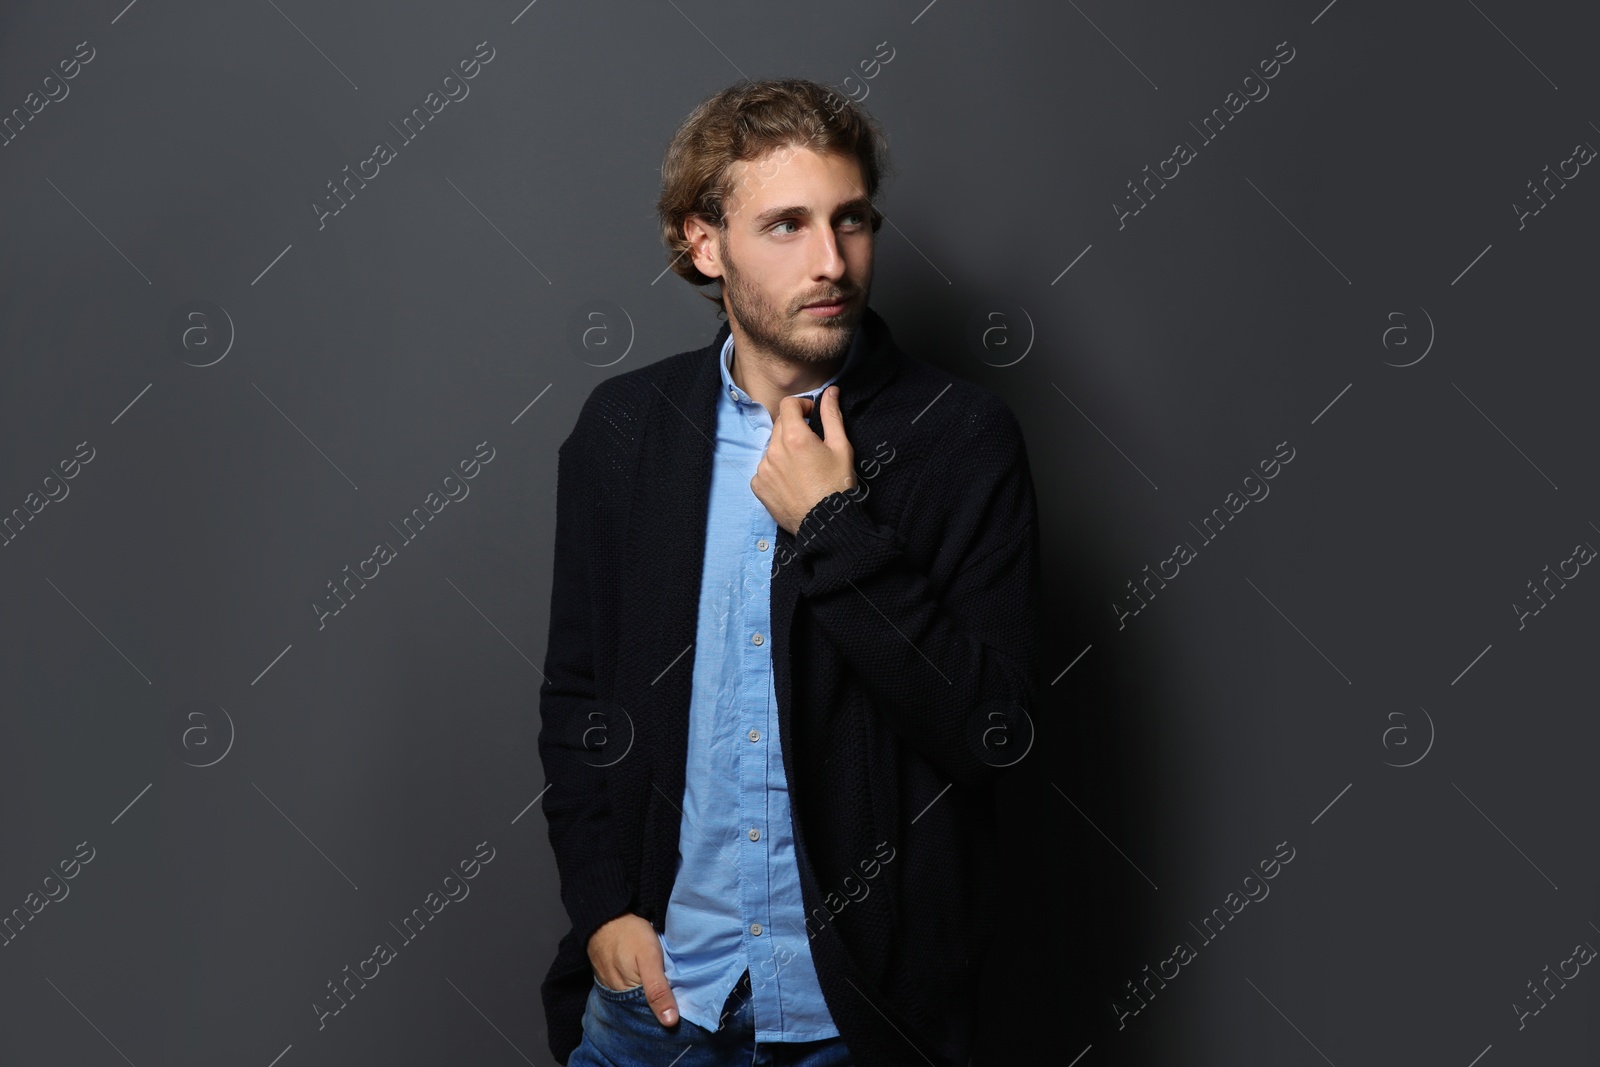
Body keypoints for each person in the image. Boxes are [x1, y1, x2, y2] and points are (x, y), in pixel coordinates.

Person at [538, 77, 1040, 1067]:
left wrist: (833, 526)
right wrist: (603, 909)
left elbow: (992, 737)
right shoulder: (626, 433)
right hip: (658, 1008)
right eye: (784, 224)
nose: (830, 262)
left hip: (859, 1022)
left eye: (849, 220)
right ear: (703, 241)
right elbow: (578, 700)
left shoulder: (961, 441)